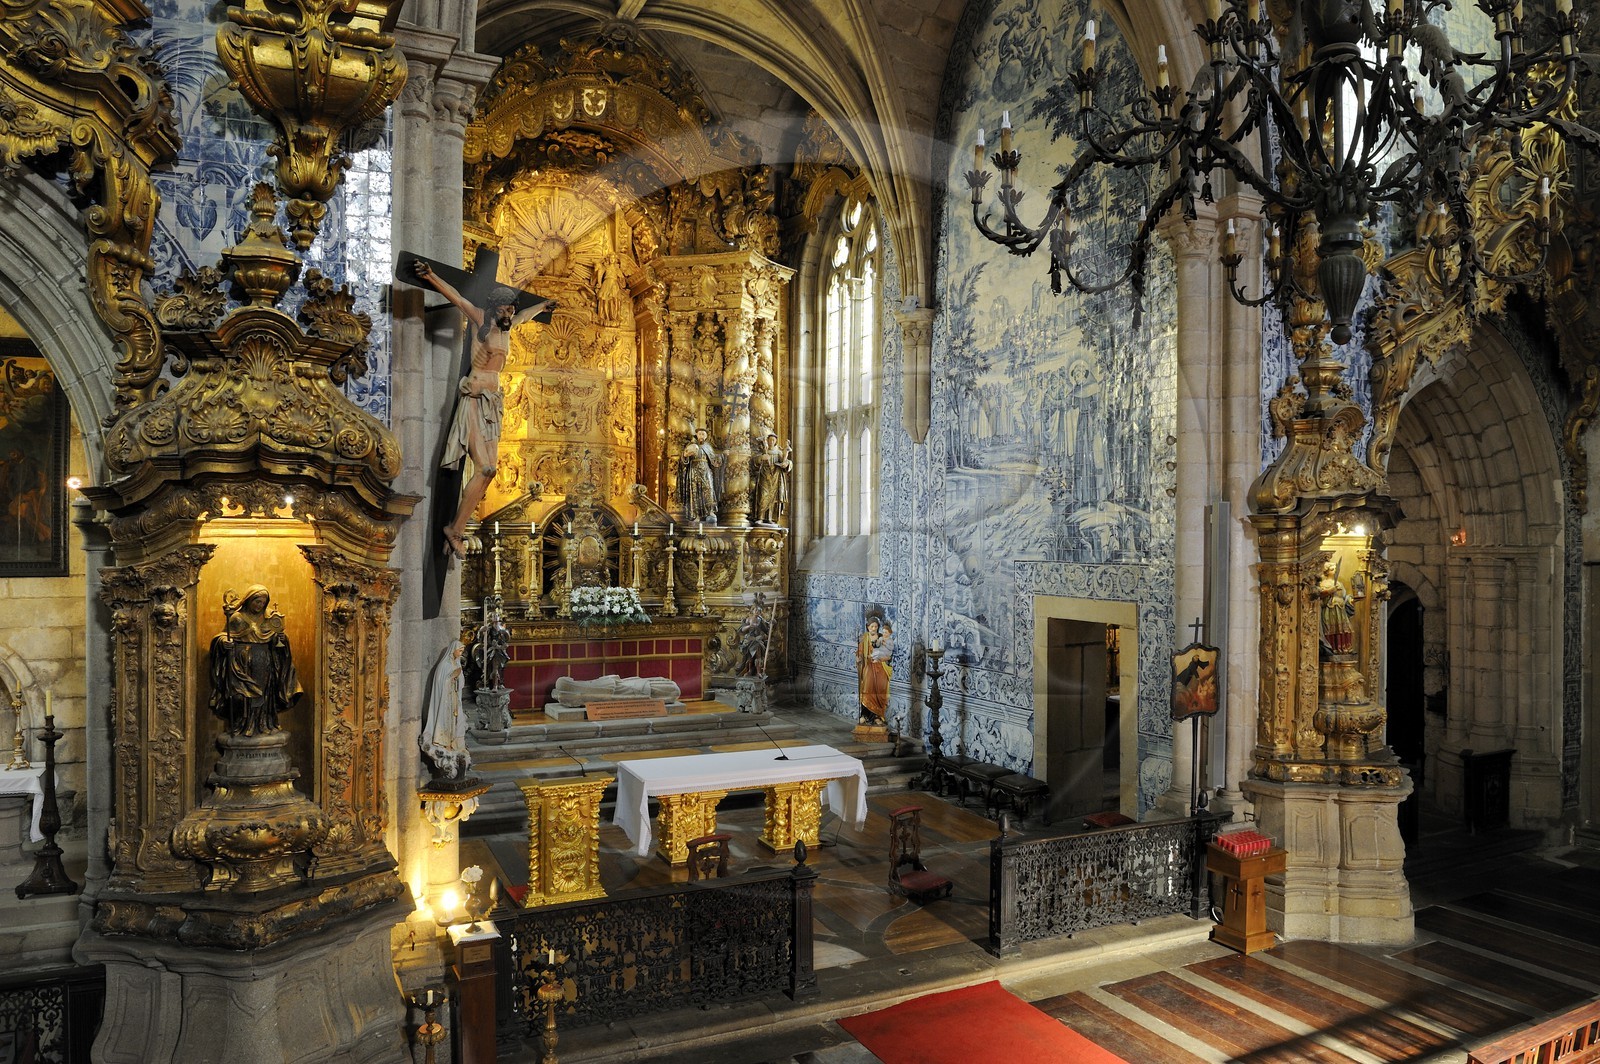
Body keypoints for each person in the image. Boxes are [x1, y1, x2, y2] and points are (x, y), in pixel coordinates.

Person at [411, 259, 526, 559]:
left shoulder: (508, 328)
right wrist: (432, 276)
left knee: (491, 470)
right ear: (493, 309)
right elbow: (457, 297)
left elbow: (527, 315)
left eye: (511, 311)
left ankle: (455, 529)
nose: (508, 315)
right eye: (504, 310)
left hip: (493, 403)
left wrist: (544, 307)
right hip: (474, 398)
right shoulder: (480, 321)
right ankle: (455, 530)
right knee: (485, 467)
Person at [209, 585, 301, 737]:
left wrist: (282, 640)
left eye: (262, 603)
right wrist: (224, 642)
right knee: (242, 696)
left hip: (264, 661)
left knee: (264, 696)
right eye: (257, 602)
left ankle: (264, 724)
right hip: (241, 664)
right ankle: (242, 726)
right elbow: (225, 635)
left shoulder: (269, 617)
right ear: (249, 600)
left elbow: (277, 640)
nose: (259, 606)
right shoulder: (236, 618)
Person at [420, 643, 471, 783]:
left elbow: (460, 683)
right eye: (459, 650)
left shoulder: (456, 664)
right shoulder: (444, 666)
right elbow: (440, 683)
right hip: (444, 703)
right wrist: (451, 677)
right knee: (446, 723)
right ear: (453, 650)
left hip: (454, 700)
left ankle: (454, 743)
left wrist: (457, 677)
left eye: (462, 651)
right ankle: (444, 743)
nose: (460, 653)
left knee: (457, 722)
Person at [677, 427, 720, 523]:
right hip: (694, 471)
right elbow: (684, 460)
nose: (701, 436)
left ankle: (710, 511)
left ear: (706, 436)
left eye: (703, 434)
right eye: (700, 434)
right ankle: (696, 514)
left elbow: (714, 461)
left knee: (708, 489)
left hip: (706, 471)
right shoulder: (691, 445)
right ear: (696, 435)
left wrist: (723, 456)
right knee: (695, 491)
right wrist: (685, 456)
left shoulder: (708, 447)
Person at [857, 617, 892, 726]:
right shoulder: (864, 638)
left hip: (880, 668)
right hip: (869, 668)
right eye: (872, 626)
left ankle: (877, 716)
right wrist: (859, 658)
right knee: (867, 689)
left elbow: (888, 655)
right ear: (868, 627)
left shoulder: (882, 638)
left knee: (879, 692)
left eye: (876, 626)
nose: (874, 628)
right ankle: (865, 715)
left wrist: (882, 658)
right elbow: (859, 653)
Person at [751, 433, 792, 526]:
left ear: (775, 441)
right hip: (764, 476)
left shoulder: (778, 452)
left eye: (773, 440)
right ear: (767, 441)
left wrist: (787, 463)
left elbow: (785, 461)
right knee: (763, 496)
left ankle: (769, 518)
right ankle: (760, 517)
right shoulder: (764, 451)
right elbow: (754, 460)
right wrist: (761, 458)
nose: (771, 442)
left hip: (775, 477)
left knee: (772, 499)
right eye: (770, 440)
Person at [1319, 559, 1356, 656]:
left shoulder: (1340, 584)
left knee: (1344, 628)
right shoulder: (1324, 583)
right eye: (1332, 569)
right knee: (1331, 628)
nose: (1335, 570)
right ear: (1327, 571)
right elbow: (1320, 596)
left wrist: (1351, 600)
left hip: (1340, 609)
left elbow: (1344, 597)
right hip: (1330, 609)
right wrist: (1330, 591)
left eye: (1335, 568)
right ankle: (1333, 647)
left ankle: (1344, 648)